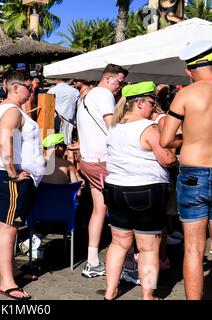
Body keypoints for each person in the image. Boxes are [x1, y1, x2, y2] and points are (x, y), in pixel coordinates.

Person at [160, 40, 212, 300]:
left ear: (188, 71)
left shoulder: (185, 94)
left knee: (193, 249)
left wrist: (188, 139)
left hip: (192, 175)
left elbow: (165, 141)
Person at [103, 81, 177, 300]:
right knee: (148, 249)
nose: (153, 107)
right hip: (146, 190)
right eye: (152, 103)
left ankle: (110, 291)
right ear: (139, 103)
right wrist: (175, 156)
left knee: (118, 243)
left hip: (115, 188)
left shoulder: (114, 127)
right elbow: (166, 158)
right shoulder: (148, 128)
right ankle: (148, 296)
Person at [0, 71, 45, 300]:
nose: (32, 90)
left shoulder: (14, 109)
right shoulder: (12, 110)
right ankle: (7, 283)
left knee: (10, 226)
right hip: (9, 175)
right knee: (7, 227)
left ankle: (12, 272)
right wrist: (12, 172)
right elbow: (5, 139)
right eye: (29, 87)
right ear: (15, 87)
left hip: (13, 175)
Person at [76, 63, 128, 278]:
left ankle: (92, 260)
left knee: (99, 209)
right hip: (103, 162)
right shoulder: (104, 94)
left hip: (88, 160)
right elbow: (112, 127)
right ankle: (126, 261)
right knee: (121, 211)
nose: (120, 87)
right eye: (119, 81)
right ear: (108, 78)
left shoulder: (85, 97)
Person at [47, 79, 80, 144]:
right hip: (69, 123)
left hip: (53, 123)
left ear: (57, 79)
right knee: (66, 145)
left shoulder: (52, 90)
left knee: (52, 147)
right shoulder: (75, 91)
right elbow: (77, 108)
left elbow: (48, 108)